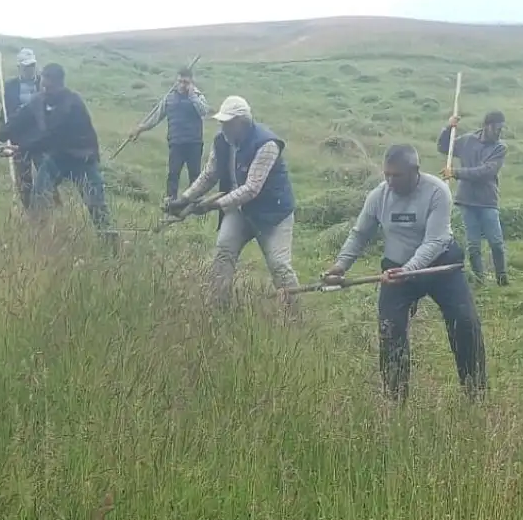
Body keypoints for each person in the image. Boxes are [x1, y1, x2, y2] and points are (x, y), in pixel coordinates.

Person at [324, 144, 488, 401]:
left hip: (440, 265)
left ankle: (475, 391)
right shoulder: (378, 196)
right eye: (386, 174)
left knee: (464, 322)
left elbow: (434, 241)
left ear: (415, 171)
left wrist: (409, 269)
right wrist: (341, 265)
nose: (389, 181)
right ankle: (395, 398)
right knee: (390, 329)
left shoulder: (437, 191)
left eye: (396, 175)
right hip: (396, 267)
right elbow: (360, 234)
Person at [164, 96, 300, 308]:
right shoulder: (222, 141)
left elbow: (251, 188)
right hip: (239, 210)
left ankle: (295, 315)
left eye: (228, 123)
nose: (223, 127)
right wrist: (185, 198)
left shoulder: (267, 144)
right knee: (223, 251)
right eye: (222, 122)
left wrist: (214, 205)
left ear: (242, 122)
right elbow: (209, 175)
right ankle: (216, 307)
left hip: (273, 214)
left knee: (279, 265)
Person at [0, 63, 114, 240]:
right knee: (39, 195)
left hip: (82, 159)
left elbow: (52, 136)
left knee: (96, 205)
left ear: (60, 85)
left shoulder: (72, 103)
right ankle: (38, 239)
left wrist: (21, 148)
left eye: (50, 87)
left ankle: (110, 242)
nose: (46, 91)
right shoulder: (39, 100)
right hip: (57, 158)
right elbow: (18, 120)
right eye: (43, 86)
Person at [438, 110, 509, 286]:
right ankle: (480, 281)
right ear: (487, 126)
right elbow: (444, 147)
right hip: (467, 201)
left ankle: (502, 279)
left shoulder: (500, 148)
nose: (500, 132)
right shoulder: (467, 141)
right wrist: (449, 128)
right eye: (497, 128)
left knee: (496, 242)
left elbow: (487, 172)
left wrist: (456, 173)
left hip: (487, 201)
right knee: (474, 245)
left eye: (502, 128)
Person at [128, 67, 211, 201]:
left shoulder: (198, 96)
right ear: (176, 81)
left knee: (195, 175)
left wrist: (192, 96)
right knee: (173, 173)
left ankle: (195, 202)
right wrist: (140, 128)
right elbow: (156, 117)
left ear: (191, 82)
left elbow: (204, 112)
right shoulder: (169, 98)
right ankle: (170, 201)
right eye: (180, 81)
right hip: (176, 142)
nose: (182, 85)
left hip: (194, 142)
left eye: (186, 82)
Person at [0, 48, 59, 209]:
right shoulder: (10, 87)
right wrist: (0, 136)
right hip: (19, 138)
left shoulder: (44, 84)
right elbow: (5, 112)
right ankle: (29, 210)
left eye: (32, 65)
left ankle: (56, 205)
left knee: (47, 172)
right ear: (19, 68)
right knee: (24, 178)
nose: (29, 69)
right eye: (26, 66)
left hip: (40, 138)